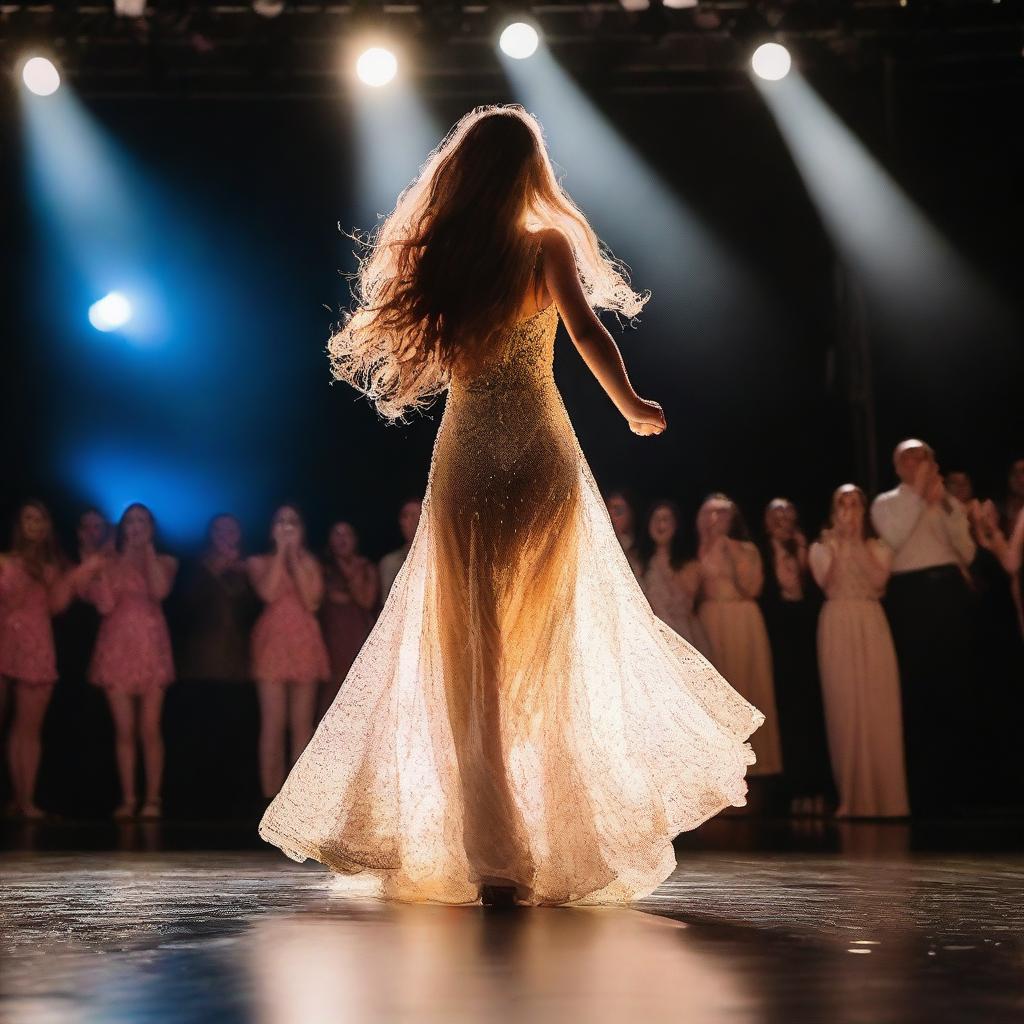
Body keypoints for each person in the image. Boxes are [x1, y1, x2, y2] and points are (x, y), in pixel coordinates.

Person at [259, 105, 762, 907]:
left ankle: (495, 855)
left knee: (476, 656)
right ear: (530, 174)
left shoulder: (446, 258)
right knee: (553, 641)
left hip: (466, 463)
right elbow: (589, 333)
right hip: (538, 458)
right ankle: (554, 840)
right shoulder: (544, 247)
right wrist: (631, 405)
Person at [870, 439, 975, 814]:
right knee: (919, 685)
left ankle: (961, 789)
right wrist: (918, 495)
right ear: (898, 466)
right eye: (909, 457)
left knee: (957, 683)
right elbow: (894, 538)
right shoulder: (887, 502)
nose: (919, 462)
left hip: (948, 589)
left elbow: (967, 551)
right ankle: (925, 793)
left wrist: (943, 504)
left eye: (924, 455)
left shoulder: (947, 501)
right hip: (910, 595)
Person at [0, 501, 105, 818]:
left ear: (48, 527)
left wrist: (78, 574)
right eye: (28, 518)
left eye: (40, 519)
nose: (34, 524)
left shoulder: (53, 566)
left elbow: (56, 606)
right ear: (19, 525)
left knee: (28, 729)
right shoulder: (4, 562)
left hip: (36, 644)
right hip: (5, 640)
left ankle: (25, 799)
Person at [809, 486, 908, 819]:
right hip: (838, 620)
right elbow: (826, 581)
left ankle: (888, 800)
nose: (849, 509)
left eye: (854, 503)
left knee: (879, 706)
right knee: (845, 709)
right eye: (842, 503)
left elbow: (879, 583)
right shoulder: (821, 548)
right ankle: (852, 797)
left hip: (870, 620)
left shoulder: (878, 547)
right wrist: (840, 545)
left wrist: (856, 542)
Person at [87, 503, 177, 820]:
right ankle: (128, 798)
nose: (136, 526)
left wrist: (145, 549)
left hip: (152, 647)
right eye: (131, 521)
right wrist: (116, 561)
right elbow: (105, 604)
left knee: (150, 728)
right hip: (117, 646)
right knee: (124, 729)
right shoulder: (109, 561)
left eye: (143, 521)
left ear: (151, 527)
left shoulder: (165, 560)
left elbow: (160, 589)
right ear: (122, 527)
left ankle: (153, 798)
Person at [695, 493, 783, 780]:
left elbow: (752, 588)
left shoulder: (746, 549)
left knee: (746, 682)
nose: (714, 519)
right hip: (709, 619)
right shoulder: (695, 550)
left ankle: (754, 763)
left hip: (741, 617)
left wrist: (729, 552)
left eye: (721, 513)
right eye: (709, 512)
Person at [248, 505, 330, 801]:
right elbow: (268, 593)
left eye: (293, 522)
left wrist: (295, 560)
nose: (286, 527)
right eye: (280, 521)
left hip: (304, 641)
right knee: (272, 723)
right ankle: (271, 795)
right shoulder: (258, 562)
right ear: (271, 529)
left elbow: (311, 601)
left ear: (302, 529)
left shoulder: (310, 563)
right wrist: (281, 554)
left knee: (302, 725)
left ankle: (298, 797)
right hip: (272, 643)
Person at [759, 498, 831, 815]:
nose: (782, 519)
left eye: (788, 513)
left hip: (805, 631)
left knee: (810, 707)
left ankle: (814, 787)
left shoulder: (807, 549)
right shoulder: (759, 552)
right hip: (775, 634)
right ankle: (788, 792)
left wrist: (801, 554)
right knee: (783, 709)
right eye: (775, 514)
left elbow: (815, 591)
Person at [318, 521, 377, 719]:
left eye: (347, 534)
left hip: (359, 638)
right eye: (337, 534)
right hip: (331, 641)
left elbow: (366, 600)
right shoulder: (323, 569)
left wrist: (353, 575)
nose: (342, 539)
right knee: (330, 699)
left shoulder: (366, 567)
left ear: (355, 540)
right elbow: (329, 598)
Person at [639, 500, 711, 656]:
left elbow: (688, 598)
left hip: (682, 633)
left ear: (676, 525)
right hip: (650, 634)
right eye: (656, 518)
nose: (661, 524)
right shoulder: (640, 562)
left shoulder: (689, 565)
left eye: (666, 519)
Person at [378, 499, 422, 602]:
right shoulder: (389, 563)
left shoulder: (443, 560)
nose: (412, 521)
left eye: (416, 515)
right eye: (405, 516)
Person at [606, 489, 643, 579]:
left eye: (618, 511)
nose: (612, 517)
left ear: (631, 513)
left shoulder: (643, 550)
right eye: (607, 511)